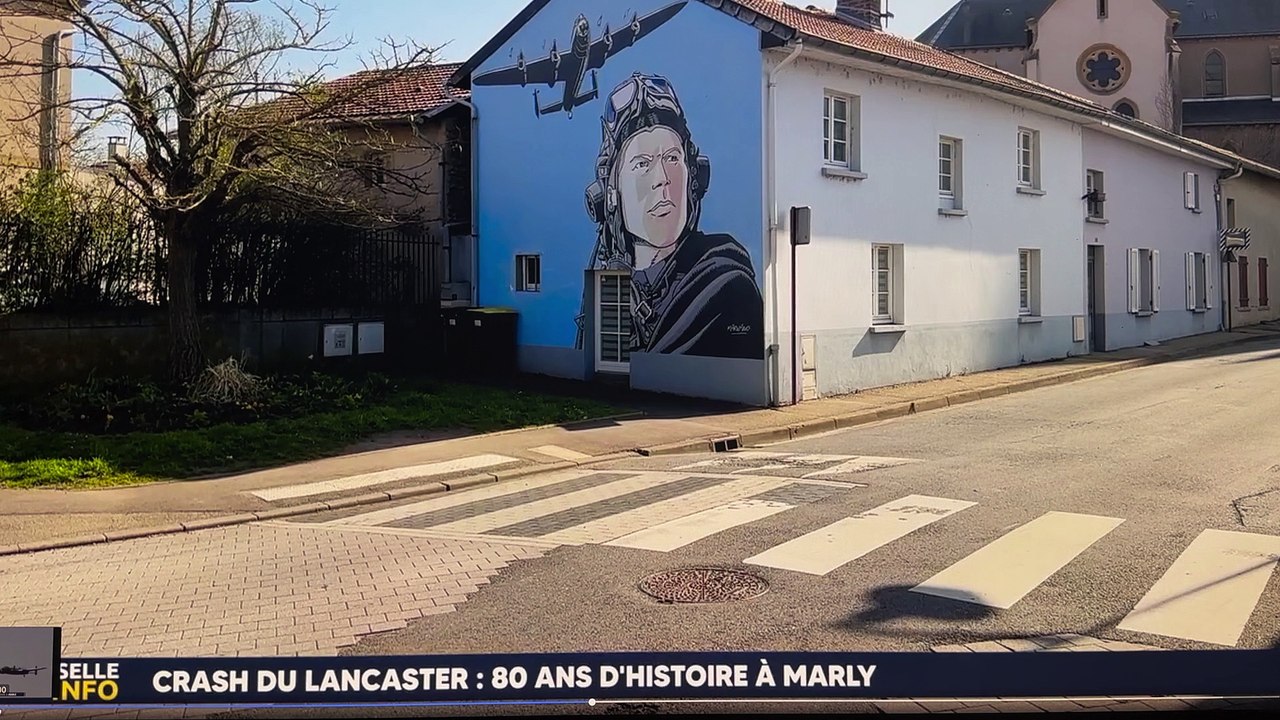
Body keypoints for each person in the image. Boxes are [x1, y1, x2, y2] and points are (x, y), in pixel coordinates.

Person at [576, 73, 764, 360]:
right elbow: (605, 373)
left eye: (672, 158)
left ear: (694, 177)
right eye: (643, 163)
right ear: (610, 193)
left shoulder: (724, 286)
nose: (662, 179)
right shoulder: (612, 288)